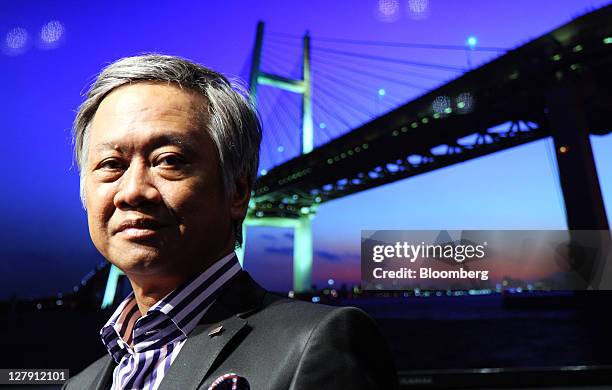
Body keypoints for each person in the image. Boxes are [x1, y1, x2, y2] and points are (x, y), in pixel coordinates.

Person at [62, 54, 398, 390]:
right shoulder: (80, 384)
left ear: (238, 191)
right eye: (110, 164)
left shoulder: (318, 344)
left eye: (169, 160)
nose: (133, 191)